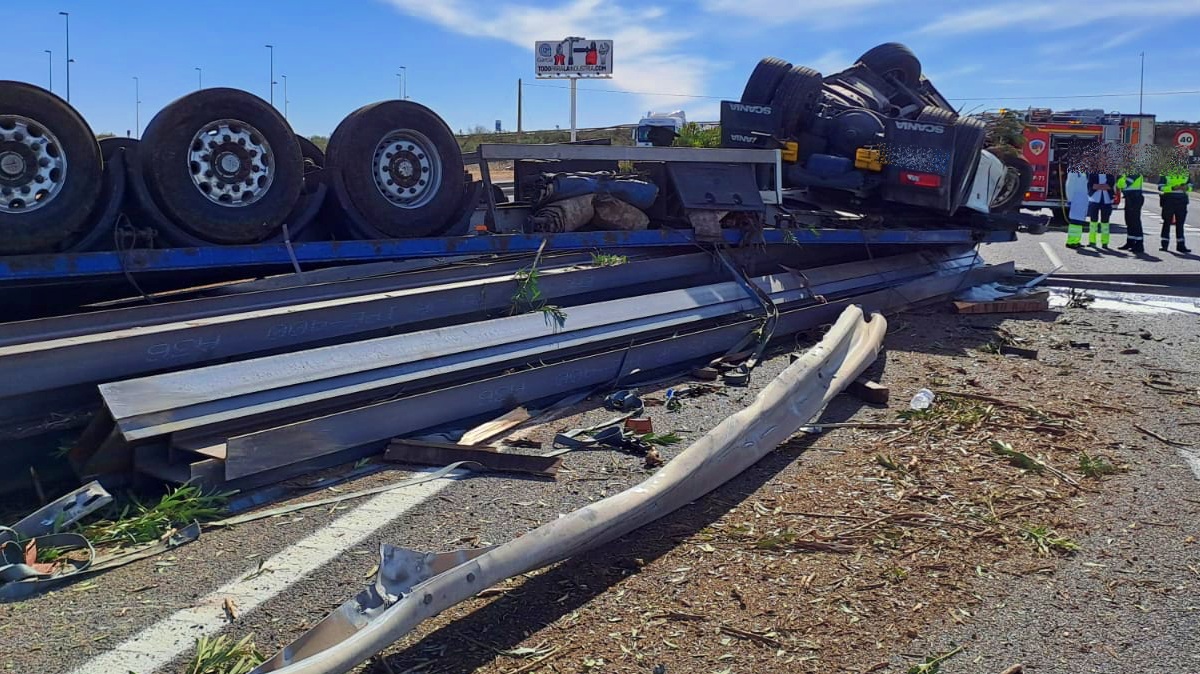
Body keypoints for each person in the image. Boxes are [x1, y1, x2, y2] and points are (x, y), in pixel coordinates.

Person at [1159, 167, 1194, 253]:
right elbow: (1160, 187)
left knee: (1180, 223)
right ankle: (1164, 245)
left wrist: (1186, 187)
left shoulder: (1185, 172)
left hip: (1182, 200)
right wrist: (1173, 188)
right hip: (1169, 200)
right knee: (1167, 222)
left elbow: (1191, 186)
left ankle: (1181, 245)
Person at [1085, 170, 1118, 248]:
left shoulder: (1110, 173)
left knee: (1105, 223)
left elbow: (1110, 185)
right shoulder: (1092, 173)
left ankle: (1105, 242)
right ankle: (1092, 241)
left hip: (1107, 200)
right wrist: (1104, 186)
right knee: (1093, 222)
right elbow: (1091, 185)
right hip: (1094, 199)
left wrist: (1099, 186)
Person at [1117, 170, 1146, 253]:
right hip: (1130, 197)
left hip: (1135, 198)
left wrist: (1120, 181)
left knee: (1135, 221)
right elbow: (1120, 184)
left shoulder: (1134, 171)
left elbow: (1123, 184)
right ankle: (1130, 242)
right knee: (1129, 221)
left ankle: (1139, 244)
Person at [1064, 171, 1089, 249]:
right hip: (1076, 199)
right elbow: (1069, 185)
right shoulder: (1074, 171)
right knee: (1075, 222)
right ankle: (1071, 241)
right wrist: (1070, 198)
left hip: (1083, 199)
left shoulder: (1085, 172)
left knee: (1079, 222)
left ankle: (1076, 241)